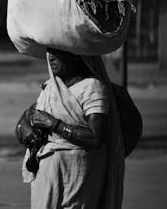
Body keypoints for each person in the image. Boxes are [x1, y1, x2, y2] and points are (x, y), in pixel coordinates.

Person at [22, 47, 124, 209]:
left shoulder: (92, 88)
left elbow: (96, 137)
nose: (51, 58)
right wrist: (28, 134)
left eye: (57, 53)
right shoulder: (51, 87)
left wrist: (54, 124)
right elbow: (26, 119)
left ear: (76, 56)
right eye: (49, 52)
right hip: (47, 173)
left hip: (78, 175)